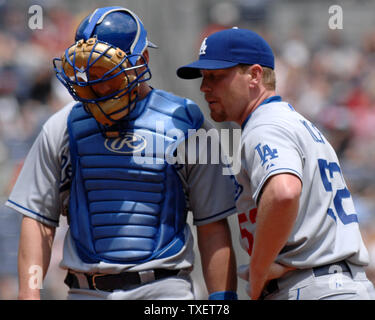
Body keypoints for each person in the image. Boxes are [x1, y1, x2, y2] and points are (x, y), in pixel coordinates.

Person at [6, 6, 238, 300]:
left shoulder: (186, 123)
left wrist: (221, 301)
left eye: (105, 72)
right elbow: (37, 219)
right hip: (85, 290)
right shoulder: (62, 126)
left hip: (164, 291)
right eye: (87, 70)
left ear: (142, 62)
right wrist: (28, 294)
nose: (95, 84)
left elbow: (212, 224)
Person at [177, 27, 375, 300]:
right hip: (332, 284)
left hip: (312, 287)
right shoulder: (293, 122)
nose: (204, 87)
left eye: (216, 76)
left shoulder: (266, 125)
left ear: (255, 75)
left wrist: (258, 272)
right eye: (203, 77)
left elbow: (283, 192)